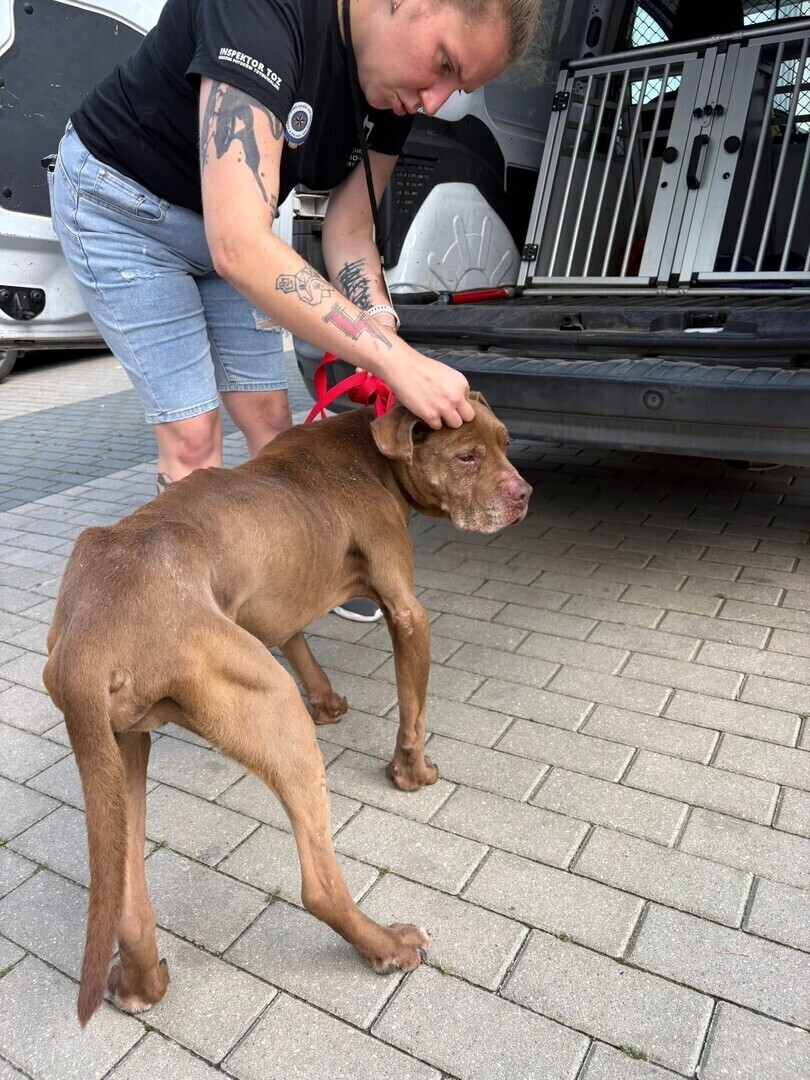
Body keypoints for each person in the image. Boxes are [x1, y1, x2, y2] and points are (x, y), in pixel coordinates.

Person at [49, 0, 539, 620]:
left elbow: (352, 229)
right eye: (443, 63)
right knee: (194, 434)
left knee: (271, 421)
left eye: (457, 86)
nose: (435, 101)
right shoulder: (266, 13)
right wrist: (397, 363)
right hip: (122, 206)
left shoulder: (394, 92)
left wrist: (383, 339)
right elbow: (240, 246)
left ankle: (308, 567)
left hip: (227, 223)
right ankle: (184, 627)